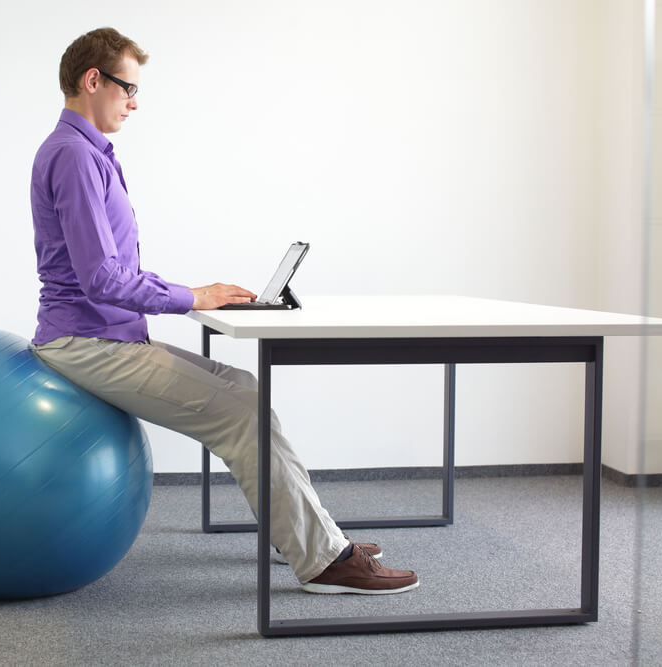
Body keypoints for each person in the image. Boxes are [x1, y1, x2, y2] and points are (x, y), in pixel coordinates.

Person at [29, 27, 418, 595]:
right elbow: (103, 278)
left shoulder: (86, 153)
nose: (135, 103)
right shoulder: (73, 156)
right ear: (94, 81)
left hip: (106, 337)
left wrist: (196, 292)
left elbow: (112, 271)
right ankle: (323, 561)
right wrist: (193, 297)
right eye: (128, 89)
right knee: (241, 410)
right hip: (85, 343)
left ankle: (308, 536)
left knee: (245, 390)